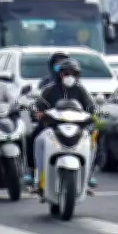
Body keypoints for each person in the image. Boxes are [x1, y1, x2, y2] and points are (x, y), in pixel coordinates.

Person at [32, 58, 98, 194]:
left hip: (78, 129)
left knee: (92, 144)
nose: (70, 76)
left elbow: (92, 107)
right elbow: (37, 106)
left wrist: (95, 114)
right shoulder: (49, 89)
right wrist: (37, 113)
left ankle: (87, 179)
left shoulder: (81, 90)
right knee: (38, 141)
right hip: (52, 129)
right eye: (66, 73)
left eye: (73, 73)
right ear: (60, 74)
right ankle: (39, 179)